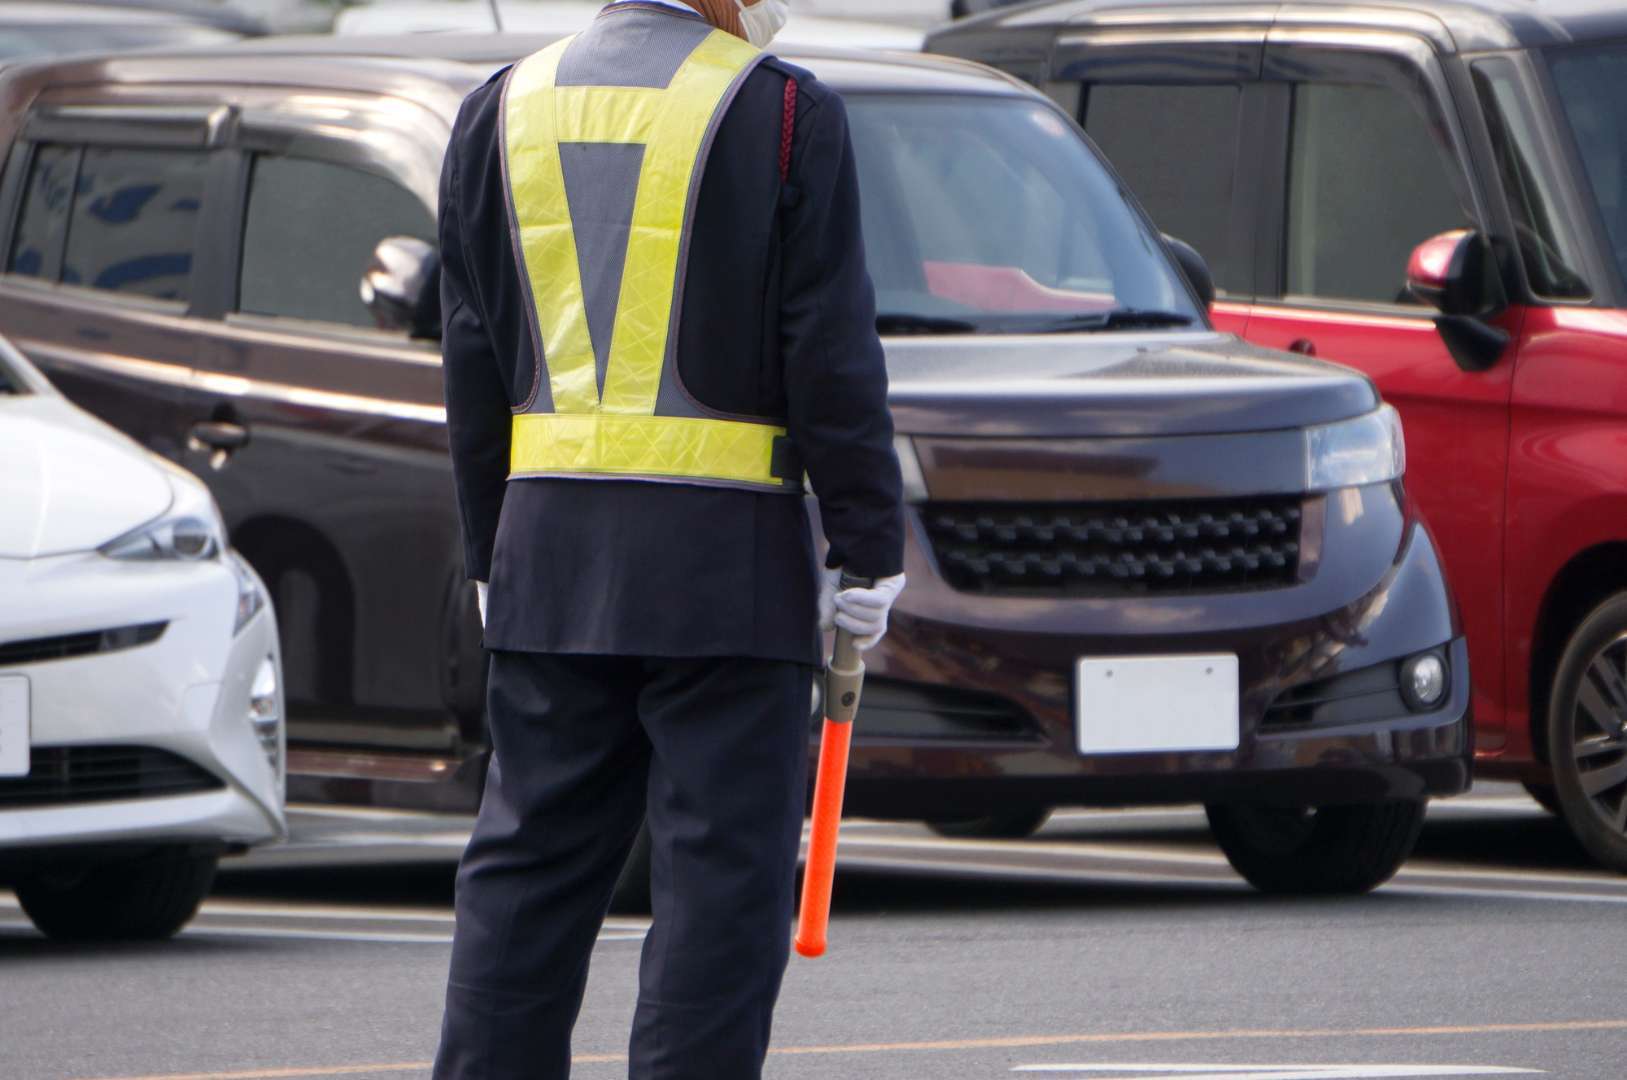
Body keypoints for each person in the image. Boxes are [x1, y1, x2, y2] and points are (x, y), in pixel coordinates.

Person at [431, 0, 906, 1076]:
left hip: (548, 566)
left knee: (526, 878)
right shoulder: (780, 111)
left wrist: (485, 552)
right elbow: (829, 350)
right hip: (727, 576)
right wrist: (868, 543)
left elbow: (470, 360)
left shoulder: (497, 111)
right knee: (718, 895)